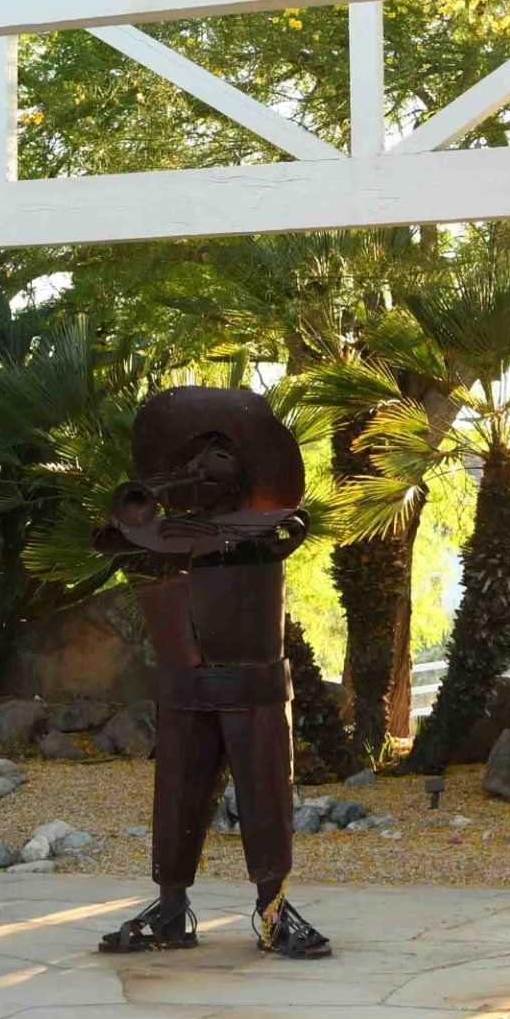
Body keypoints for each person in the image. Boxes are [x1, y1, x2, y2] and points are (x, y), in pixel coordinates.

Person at [92, 386, 334, 960]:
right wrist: (153, 511)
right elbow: (109, 539)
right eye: (195, 458)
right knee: (176, 796)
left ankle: (273, 908)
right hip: (184, 686)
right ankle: (170, 908)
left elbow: (272, 533)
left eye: (217, 457)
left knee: (264, 794)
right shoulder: (168, 531)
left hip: (252, 687)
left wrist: (170, 529)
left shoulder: (275, 526)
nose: (203, 468)